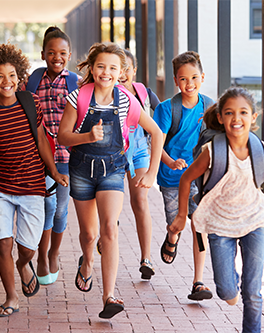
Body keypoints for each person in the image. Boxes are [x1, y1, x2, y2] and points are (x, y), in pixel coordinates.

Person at [171, 86, 264, 333]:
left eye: (244, 112)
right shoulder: (213, 150)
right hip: (219, 224)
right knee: (226, 289)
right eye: (230, 113)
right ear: (221, 117)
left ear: (253, 117)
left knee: (253, 291)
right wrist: (182, 215)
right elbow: (186, 179)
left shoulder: (263, 151)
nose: (237, 119)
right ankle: (230, 288)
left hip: (255, 222)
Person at [57, 42, 163, 319]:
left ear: (121, 72)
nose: (106, 72)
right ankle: (87, 261)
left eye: (113, 68)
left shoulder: (127, 100)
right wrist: (87, 137)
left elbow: (157, 132)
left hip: (113, 169)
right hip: (81, 170)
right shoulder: (77, 98)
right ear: (92, 69)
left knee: (110, 230)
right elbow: (63, 137)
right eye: (101, 66)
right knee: (90, 235)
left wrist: (151, 172)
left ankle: (109, 296)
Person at [0, 43, 69, 318]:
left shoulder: (29, 102)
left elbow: (43, 140)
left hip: (33, 185)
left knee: (27, 249)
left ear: (19, 77)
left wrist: (54, 171)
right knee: (2, 243)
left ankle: (24, 264)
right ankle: (11, 298)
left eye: (11, 75)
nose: (6, 81)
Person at [152, 51, 214, 301]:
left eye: (194, 78)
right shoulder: (168, 109)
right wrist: (170, 161)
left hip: (198, 178)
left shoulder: (210, 106)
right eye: (183, 79)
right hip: (171, 179)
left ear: (202, 77)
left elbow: (215, 139)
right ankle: (171, 237)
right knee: (176, 223)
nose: (190, 84)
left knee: (199, 226)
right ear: (176, 81)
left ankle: (198, 282)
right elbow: (156, 142)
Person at [96, 49, 160, 280]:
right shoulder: (106, 93)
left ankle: (146, 258)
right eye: (117, 68)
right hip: (111, 152)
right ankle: (106, 232)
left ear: (133, 70)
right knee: (110, 203)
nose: (121, 73)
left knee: (140, 200)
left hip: (139, 151)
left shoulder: (144, 93)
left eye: (126, 69)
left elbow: (160, 122)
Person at [25, 26, 77, 285]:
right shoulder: (33, 80)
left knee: (60, 210)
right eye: (52, 52)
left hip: (68, 158)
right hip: (41, 156)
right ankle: (43, 255)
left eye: (63, 52)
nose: (58, 56)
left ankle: (55, 251)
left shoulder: (76, 82)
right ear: (43, 54)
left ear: (70, 54)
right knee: (47, 205)